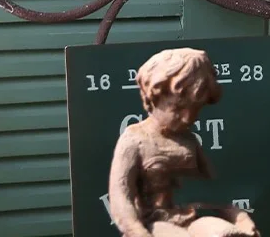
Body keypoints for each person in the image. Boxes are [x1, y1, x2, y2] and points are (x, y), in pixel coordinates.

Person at [108, 48, 259, 237]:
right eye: (178, 108)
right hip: (155, 224)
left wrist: (241, 219)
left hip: (193, 218)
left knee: (226, 234)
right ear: (154, 97)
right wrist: (137, 232)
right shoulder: (134, 139)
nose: (188, 118)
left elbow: (216, 193)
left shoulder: (189, 140)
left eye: (195, 109)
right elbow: (121, 197)